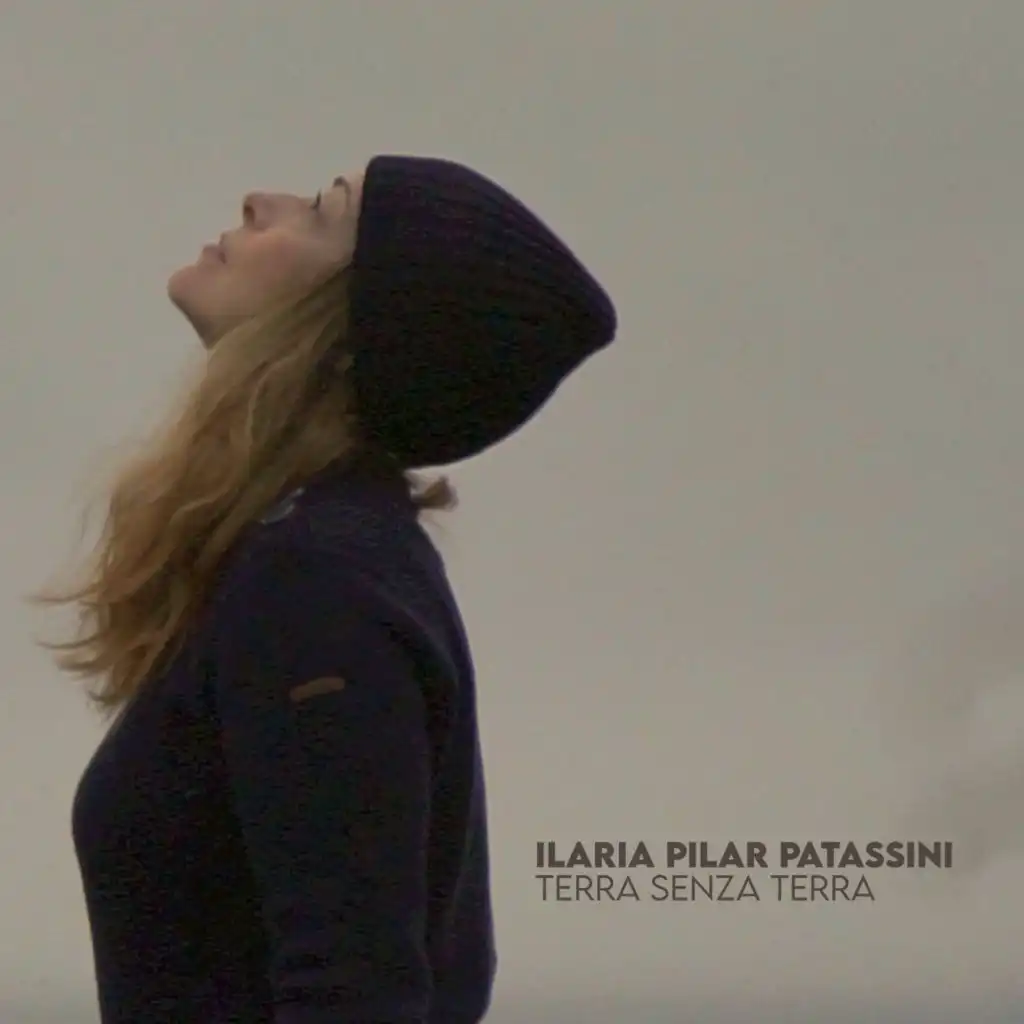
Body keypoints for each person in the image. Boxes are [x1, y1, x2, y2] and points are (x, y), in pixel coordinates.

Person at [35, 155, 617, 1023]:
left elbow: (354, 989)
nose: (257, 200)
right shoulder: (326, 554)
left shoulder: (317, 582)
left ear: (355, 330)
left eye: (318, 212)